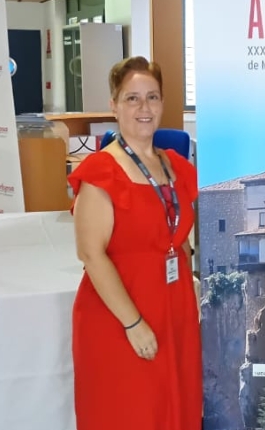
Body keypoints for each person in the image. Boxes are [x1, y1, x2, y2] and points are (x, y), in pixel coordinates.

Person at [68, 56, 202, 429]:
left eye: (153, 97)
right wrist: (133, 324)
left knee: (174, 409)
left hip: (174, 311)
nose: (144, 108)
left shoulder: (177, 166)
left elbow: (179, 237)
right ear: (114, 105)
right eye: (132, 98)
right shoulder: (100, 173)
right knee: (131, 413)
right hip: (120, 317)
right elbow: (91, 255)